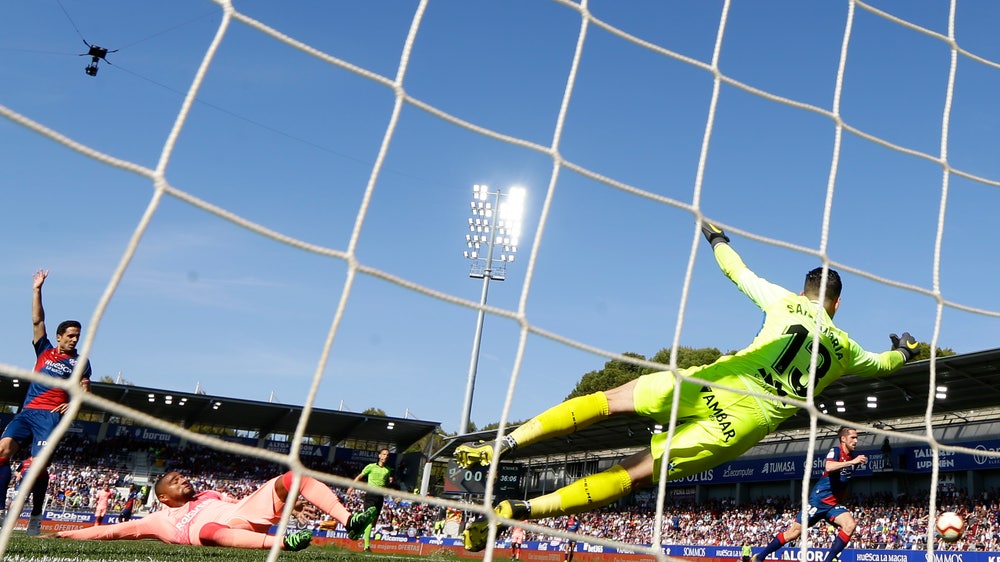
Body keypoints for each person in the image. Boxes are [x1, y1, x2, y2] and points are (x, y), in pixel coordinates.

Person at [455, 224, 921, 551]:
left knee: (607, 400)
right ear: (836, 304)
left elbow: (735, 270)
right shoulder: (845, 347)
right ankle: (521, 509)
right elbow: (884, 365)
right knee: (632, 474)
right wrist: (907, 349)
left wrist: (716, 238)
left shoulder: (782, 300)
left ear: (804, 291)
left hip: (710, 382)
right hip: (742, 423)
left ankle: (504, 442)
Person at [53, 470, 378, 551]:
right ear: (163, 497)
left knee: (293, 478)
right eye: (174, 480)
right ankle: (282, 544)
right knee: (206, 532)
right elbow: (110, 531)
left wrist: (291, 505)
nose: (182, 479)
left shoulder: (209, 494)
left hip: (242, 514)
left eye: (182, 476)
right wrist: (69, 533)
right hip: (217, 534)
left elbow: (239, 507)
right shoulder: (156, 519)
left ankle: (349, 520)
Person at [0, 269, 92, 536]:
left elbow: (85, 386)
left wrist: (75, 403)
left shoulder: (80, 362)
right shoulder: (44, 349)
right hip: (27, 412)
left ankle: (36, 517)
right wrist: (37, 289)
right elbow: (37, 319)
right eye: (71, 335)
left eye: (78, 336)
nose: (75, 339)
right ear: (60, 336)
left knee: (35, 467)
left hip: (50, 416)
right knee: (3, 451)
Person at [751, 426, 868, 562]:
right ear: (843, 438)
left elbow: (844, 482)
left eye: (857, 438)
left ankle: (828, 560)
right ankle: (760, 557)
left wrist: (842, 501)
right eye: (852, 437)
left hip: (833, 505)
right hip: (818, 501)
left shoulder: (854, 459)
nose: (856, 441)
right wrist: (851, 462)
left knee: (850, 525)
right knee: (793, 534)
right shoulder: (836, 451)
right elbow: (828, 466)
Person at [348, 447, 395, 552]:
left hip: (380, 497)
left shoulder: (388, 470)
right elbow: (360, 476)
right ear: (379, 455)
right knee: (369, 520)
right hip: (370, 495)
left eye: (387, 455)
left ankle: (358, 531)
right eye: (383, 454)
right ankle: (366, 547)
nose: (385, 456)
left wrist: (389, 482)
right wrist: (351, 487)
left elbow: (386, 484)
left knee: (373, 524)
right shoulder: (371, 467)